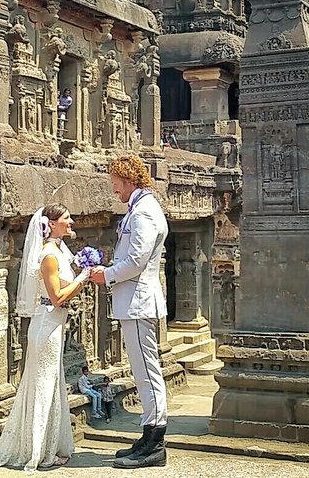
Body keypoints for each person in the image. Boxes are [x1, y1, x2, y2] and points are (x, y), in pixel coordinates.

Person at [0, 204, 91, 470]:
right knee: (43, 387)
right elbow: (57, 297)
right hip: (46, 325)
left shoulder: (59, 251)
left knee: (52, 383)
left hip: (53, 324)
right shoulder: (49, 256)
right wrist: (83, 278)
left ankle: (49, 446)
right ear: (51, 224)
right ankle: (38, 453)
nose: (72, 222)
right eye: (66, 219)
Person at [89, 156, 170, 469]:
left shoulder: (144, 213)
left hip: (138, 302)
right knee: (143, 372)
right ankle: (148, 434)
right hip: (134, 302)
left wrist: (106, 274)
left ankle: (155, 441)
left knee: (148, 373)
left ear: (128, 179)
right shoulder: (139, 209)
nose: (114, 189)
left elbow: (136, 261)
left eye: (116, 182)